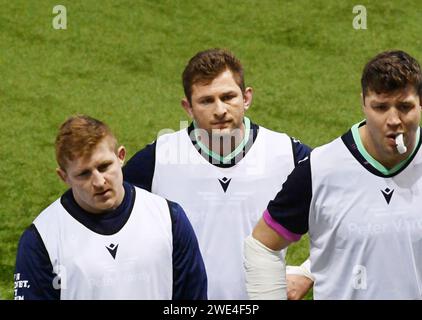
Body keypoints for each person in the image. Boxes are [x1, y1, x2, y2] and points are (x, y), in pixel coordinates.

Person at [123, 48, 311, 299]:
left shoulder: (287, 154)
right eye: (206, 100)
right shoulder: (158, 159)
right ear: (188, 107)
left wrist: (309, 272)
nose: (220, 109)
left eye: (228, 97)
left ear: (246, 97)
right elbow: (106, 221)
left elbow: (347, 208)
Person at [244, 50, 422, 299]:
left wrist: (307, 270)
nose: (393, 120)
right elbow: (262, 245)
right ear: (363, 104)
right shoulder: (320, 169)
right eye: (380, 107)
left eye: (405, 107)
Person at [14, 115, 207, 300]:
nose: (98, 181)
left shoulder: (168, 218)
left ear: (121, 156)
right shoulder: (42, 239)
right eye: (84, 174)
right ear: (64, 177)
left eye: (104, 166)